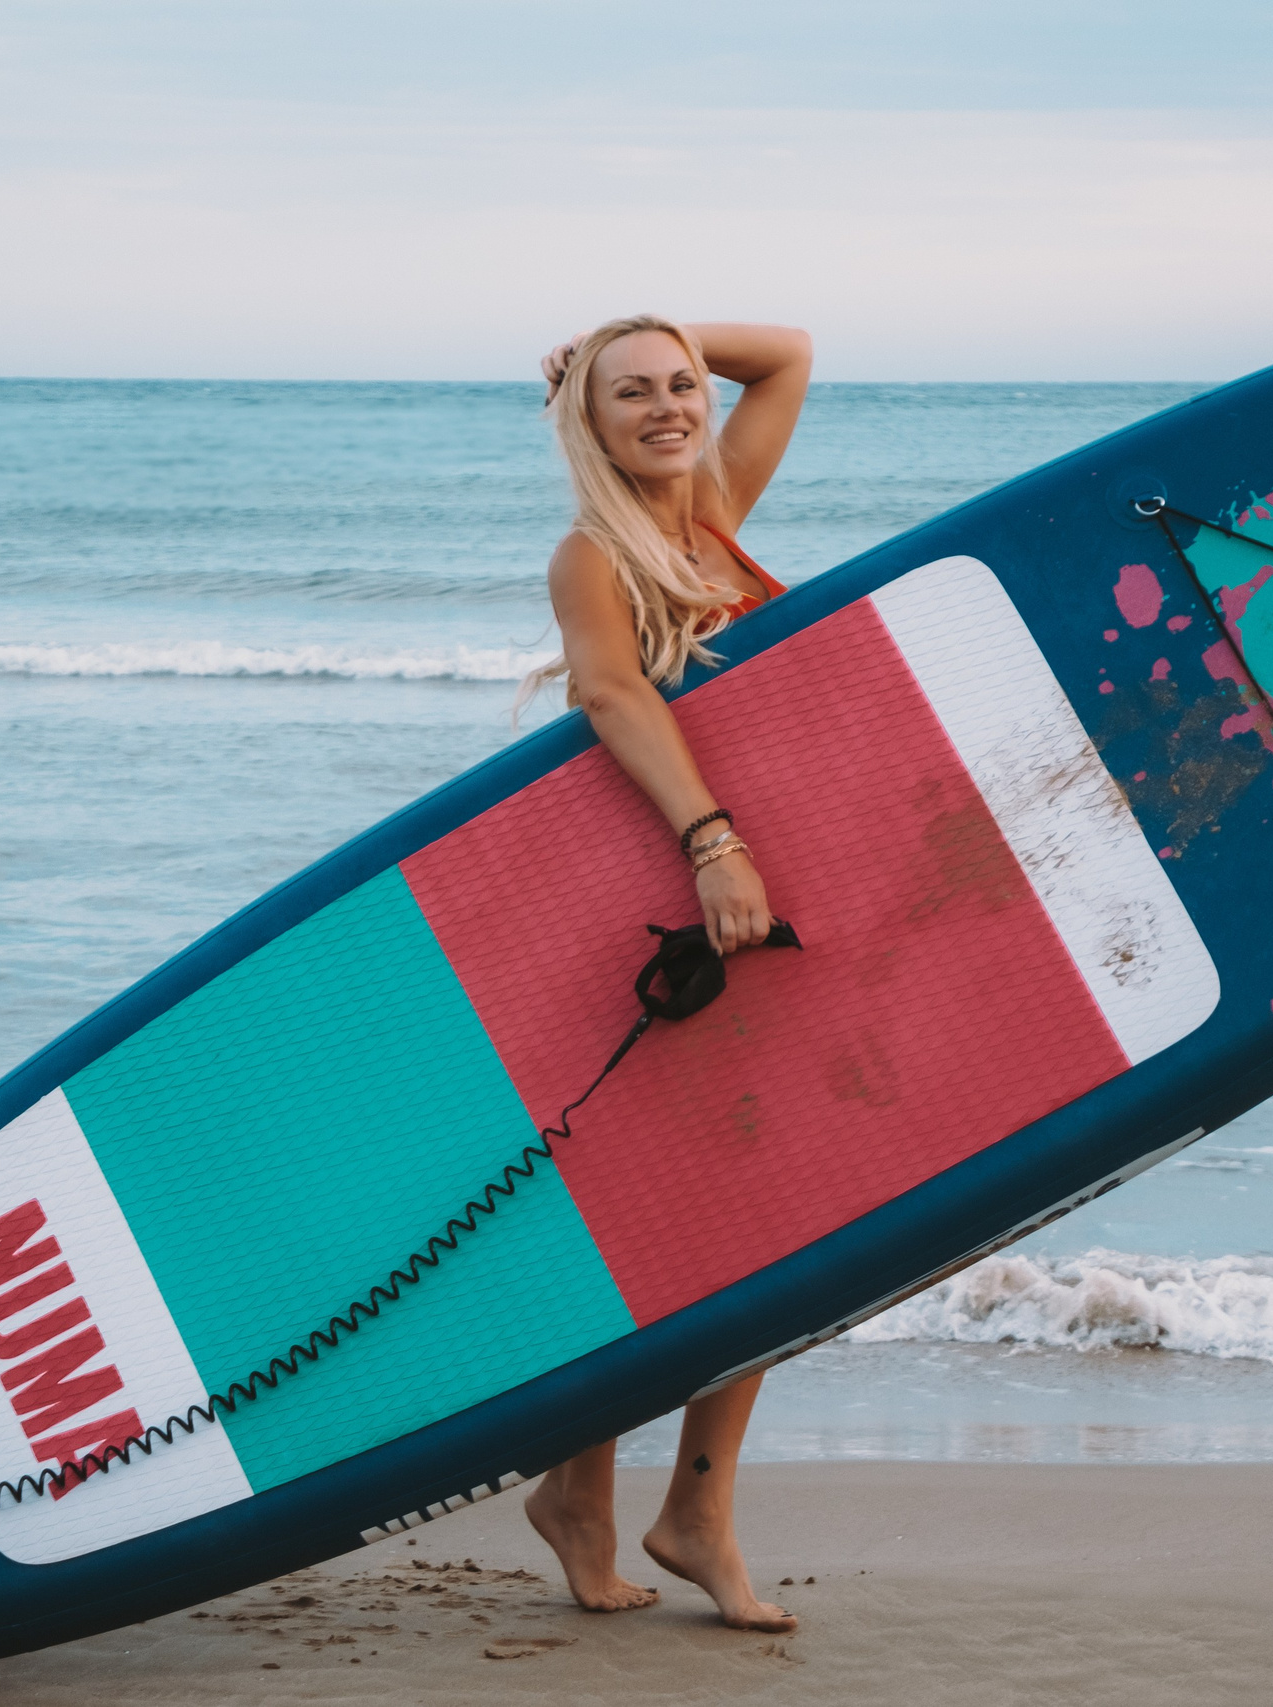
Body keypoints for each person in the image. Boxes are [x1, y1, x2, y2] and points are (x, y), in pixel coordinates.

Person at [517, 315, 812, 1634]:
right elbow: (613, 700)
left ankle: (665, 1503)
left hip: (743, 906)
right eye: (628, 393)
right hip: (669, 909)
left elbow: (791, 352)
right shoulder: (592, 556)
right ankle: (618, 1500)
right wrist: (713, 842)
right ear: (589, 422)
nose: (667, 406)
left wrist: (633, 322)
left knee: (753, 1212)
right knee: (679, 1217)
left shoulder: (720, 508)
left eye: (681, 383)